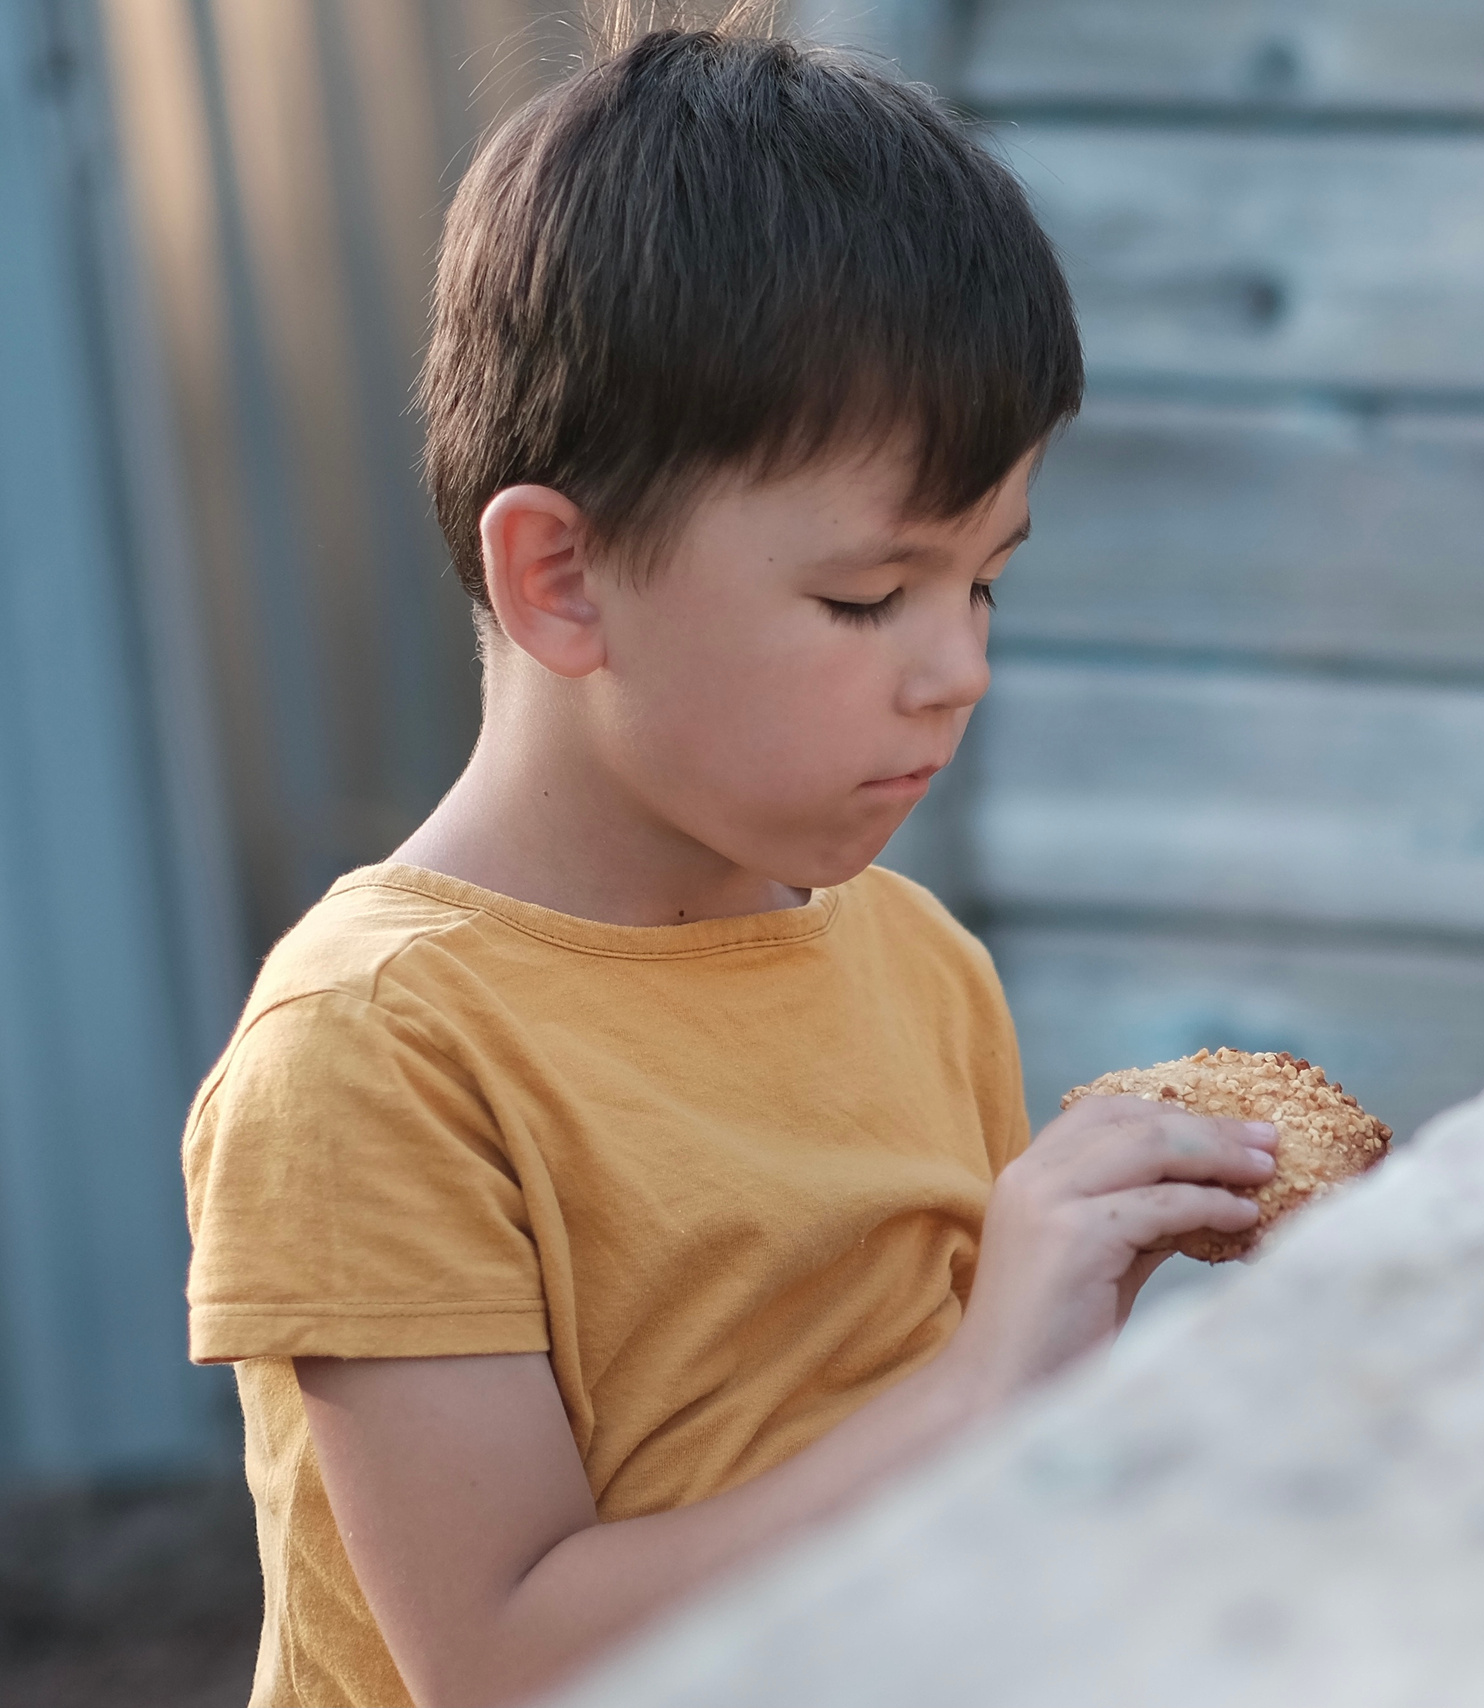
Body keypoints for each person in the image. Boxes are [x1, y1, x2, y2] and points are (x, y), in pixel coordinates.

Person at [179, 15, 1277, 1706]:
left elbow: (942, 1518)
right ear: (562, 578)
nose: (958, 666)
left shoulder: (919, 968)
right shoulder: (381, 1049)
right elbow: (503, 1659)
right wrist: (989, 1375)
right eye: (867, 597)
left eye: (985, 582)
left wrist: (1079, 1349)